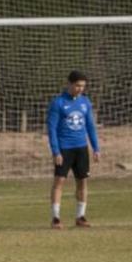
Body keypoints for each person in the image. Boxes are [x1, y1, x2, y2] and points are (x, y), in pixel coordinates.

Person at [47, 70, 101, 229]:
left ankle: (80, 217)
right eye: (77, 85)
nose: (80, 89)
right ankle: (56, 218)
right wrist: (56, 151)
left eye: (83, 86)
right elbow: (52, 129)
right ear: (69, 84)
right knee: (59, 182)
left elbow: (90, 127)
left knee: (82, 182)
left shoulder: (85, 102)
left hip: (81, 148)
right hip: (64, 149)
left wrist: (96, 148)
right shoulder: (58, 103)